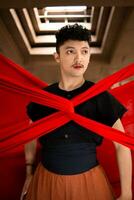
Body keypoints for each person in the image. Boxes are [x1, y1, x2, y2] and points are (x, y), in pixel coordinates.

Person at [21, 24, 132, 200]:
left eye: (85, 51)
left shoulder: (99, 96)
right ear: (57, 56)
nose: (79, 58)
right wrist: (28, 172)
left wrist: (127, 193)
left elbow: (122, 144)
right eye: (70, 51)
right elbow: (30, 135)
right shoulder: (43, 98)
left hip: (89, 184)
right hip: (46, 183)